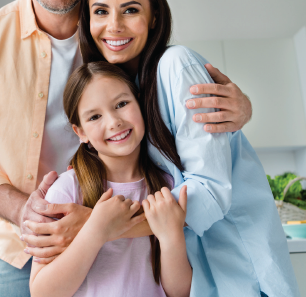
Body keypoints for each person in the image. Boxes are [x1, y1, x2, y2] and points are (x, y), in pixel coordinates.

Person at [0, 0, 252, 296]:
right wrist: (27, 213)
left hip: (123, 235)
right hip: (19, 248)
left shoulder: (112, 38)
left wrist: (241, 113)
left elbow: (168, 107)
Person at [74, 0, 298, 296]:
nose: (114, 25)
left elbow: (209, 194)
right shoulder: (121, 89)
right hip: (190, 273)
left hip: (239, 269)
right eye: (101, 12)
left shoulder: (176, 67)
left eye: (131, 10)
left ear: (154, 18)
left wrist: (100, 229)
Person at [28, 62, 191, 297]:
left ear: (140, 103)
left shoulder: (169, 187)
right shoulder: (66, 191)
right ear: (80, 132)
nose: (114, 121)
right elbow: (43, 293)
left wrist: (171, 236)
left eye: (122, 104)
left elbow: (180, 293)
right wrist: (95, 230)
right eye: (94, 116)